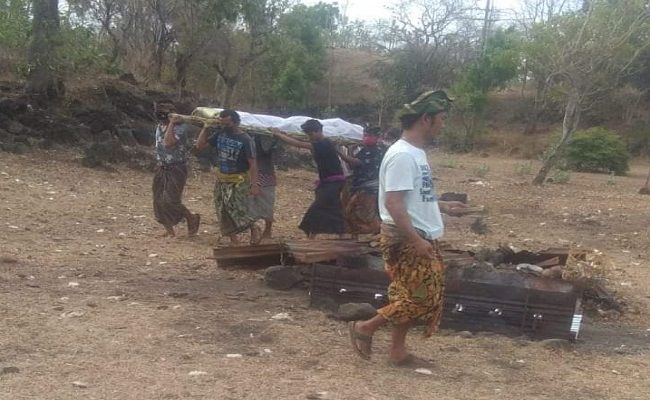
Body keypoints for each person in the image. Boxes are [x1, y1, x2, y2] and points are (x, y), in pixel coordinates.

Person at [348, 90, 467, 367]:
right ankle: (366, 327)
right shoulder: (402, 155)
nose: (443, 124)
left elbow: (410, 197)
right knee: (422, 297)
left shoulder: (415, 153)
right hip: (406, 237)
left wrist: (442, 205)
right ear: (425, 119)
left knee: (407, 294)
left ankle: (397, 352)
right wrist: (415, 239)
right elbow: (393, 202)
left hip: (415, 234)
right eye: (441, 118)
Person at [195, 109, 261, 245]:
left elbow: (253, 164)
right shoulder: (220, 134)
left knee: (238, 210)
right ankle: (234, 241)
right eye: (222, 123)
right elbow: (200, 145)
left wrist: (254, 185)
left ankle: (254, 228)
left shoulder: (246, 139)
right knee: (223, 210)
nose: (225, 126)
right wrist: (206, 128)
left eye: (227, 123)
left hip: (239, 179)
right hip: (222, 178)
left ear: (236, 122)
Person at [271, 119, 345, 239]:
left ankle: (313, 234)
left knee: (319, 208)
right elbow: (301, 141)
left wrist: (279, 135)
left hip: (333, 183)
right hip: (327, 182)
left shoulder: (324, 144)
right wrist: (284, 134)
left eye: (310, 134)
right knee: (331, 209)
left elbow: (299, 144)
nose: (309, 137)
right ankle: (320, 235)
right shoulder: (322, 142)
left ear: (318, 131)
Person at [151, 99, 200, 238]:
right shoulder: (159, 126)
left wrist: (172, 123)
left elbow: (168, 143)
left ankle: (191, 218)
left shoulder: (180, 127)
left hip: (176, 168)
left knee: (171, 200)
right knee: (158, 199)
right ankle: (169, 230)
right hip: (161, 166)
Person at [338, 126, 386, 235]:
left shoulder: (377, 151)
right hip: (360, 188)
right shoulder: (364, 150)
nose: (366, 138)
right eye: (365, 135)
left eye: (369, 136)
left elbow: (356, 162)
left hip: (369, 190)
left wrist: (340, 153)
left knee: (365, 217)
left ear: (377, 137)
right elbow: (351, 166)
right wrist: (350, 150)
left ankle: (373, 239)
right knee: (351, 214)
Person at [249, 134, 279, 240]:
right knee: (248, 205)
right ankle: (253, 229)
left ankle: (267, 230)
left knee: (267, 205)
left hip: (265, 174)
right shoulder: (245, 136)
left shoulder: (267, 137)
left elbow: (266, 149)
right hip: (250, 174)